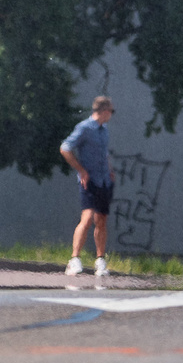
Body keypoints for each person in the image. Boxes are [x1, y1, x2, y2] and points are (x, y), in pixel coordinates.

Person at [60, 96, 116, 277]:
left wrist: (110, 169)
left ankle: (100, 261)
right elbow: (65, 148)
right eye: (111, 111)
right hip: (89, 181)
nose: (111, 115)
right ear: (104, 110)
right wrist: (81, 170)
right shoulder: (85, 128)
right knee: (87, 217)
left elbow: (103, 152)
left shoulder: (104, 130)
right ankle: (74, 259)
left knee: (101, 219)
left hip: (104, 180)